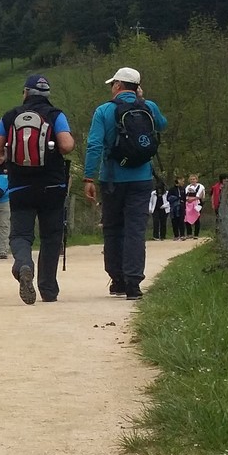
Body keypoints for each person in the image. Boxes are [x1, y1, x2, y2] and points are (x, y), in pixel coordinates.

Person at [84, 66, 169, 299]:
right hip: (142, 178)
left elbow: (94, 145)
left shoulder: (103, 111)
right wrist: (142, 100)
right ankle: (134, 283)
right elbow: (162, 124)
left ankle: (117, 279)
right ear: (137, 87)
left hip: (112, 179)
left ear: (118, 85)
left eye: (113, 84)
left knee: (112, 228)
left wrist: (88, 177)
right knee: (135, 230)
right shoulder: (149, 107)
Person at [0, 74, 75, 305]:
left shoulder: (10, 116)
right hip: (53, 184)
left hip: (20, 185)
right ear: (47, 95)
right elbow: (67, 145)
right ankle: (48, 289)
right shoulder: (56, 115)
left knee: (20, 235)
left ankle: (24, 265)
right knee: (51, 236)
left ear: (25, 93)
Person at [184, 173, 206, 238]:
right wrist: (188, 199)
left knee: (197, 218)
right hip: (188, 204)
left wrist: (194, 198)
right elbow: (185, 195)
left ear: (196, 180)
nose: (192, 180)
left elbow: (201, 195)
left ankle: (196, 234)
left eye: (194, 179)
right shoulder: (187, 187)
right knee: (187, 218)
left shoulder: (201, 186)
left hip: (197, 203)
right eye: (191, 179)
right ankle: (189, 233)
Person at [149, 174, 168, 240]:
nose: (159, 191)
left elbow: (169, 202)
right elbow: (150, 201)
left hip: (164, 209)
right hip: (155, 209)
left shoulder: (166, 193)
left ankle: (163, 236)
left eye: (160, 189)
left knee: (163, 222)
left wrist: (164, 206)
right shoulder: (153, 193)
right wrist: (150, 208)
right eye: (158, 189)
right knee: (156, 222)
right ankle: (155, 236)